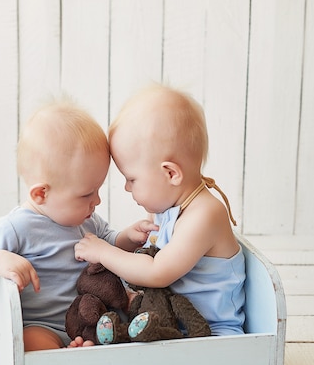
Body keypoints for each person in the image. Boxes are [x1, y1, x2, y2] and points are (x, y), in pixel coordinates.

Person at [0, 98, 157, 351]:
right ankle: (62, 359)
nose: (97, 200)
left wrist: (130, 236)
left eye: (97, 190)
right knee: (31, 343)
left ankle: (87, 352)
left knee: (120, 332)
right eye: (86, 194)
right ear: (41, 194)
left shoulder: (87, 220)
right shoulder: (19, 226)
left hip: (92, 319)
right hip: (44, 326)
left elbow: (110, 242)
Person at [74, 84, 246, 336]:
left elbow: (157, 273)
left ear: (170, 173)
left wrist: (104, 251)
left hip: (212, 334)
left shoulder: (205, 214)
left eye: (131, 179)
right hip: (167, 324)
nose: (126, 187)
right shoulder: (170, 209)